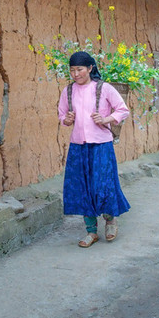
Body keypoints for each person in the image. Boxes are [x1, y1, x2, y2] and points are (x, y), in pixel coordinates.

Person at [57, 51, 131, 248]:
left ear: (90, 68)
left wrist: (106, 119)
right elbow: (62, 114)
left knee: (103, 184)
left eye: (79, 69)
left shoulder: (104, 88)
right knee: (82, 187)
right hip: (78, 146)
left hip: (101, 145)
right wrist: (67, 120)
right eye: (72, 70)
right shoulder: (68, 91)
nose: (75, 74)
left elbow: (123, 110)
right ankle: (91, 231)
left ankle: (110, 221)